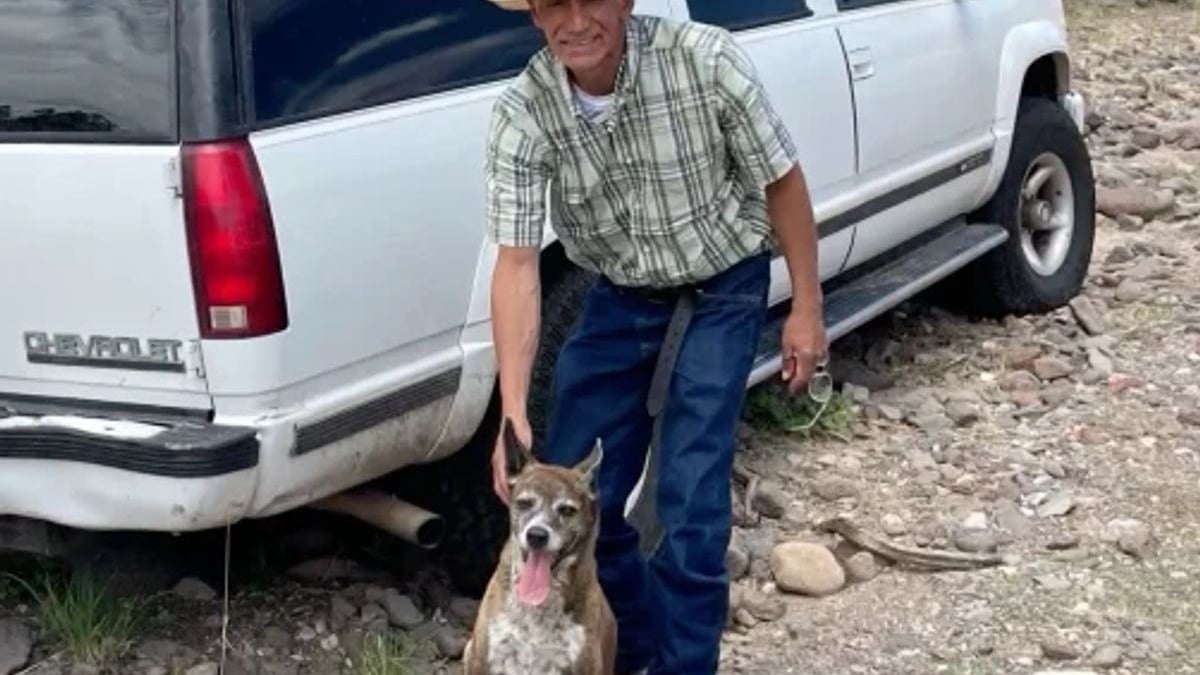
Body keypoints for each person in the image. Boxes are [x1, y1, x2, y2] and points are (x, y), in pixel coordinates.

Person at [483, 0, 827, 672]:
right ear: (533, 16)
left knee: (692, 499)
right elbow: (518, 261)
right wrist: (514, 406)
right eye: (555, 2)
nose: (577, 20)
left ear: (628, 1)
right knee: (574, 495)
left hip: (723, 277)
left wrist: (806, 308)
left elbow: (781, 181)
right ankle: (633, 648)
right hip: (620, 287)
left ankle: (685, 662)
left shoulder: (705, 58)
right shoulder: (522, 111)